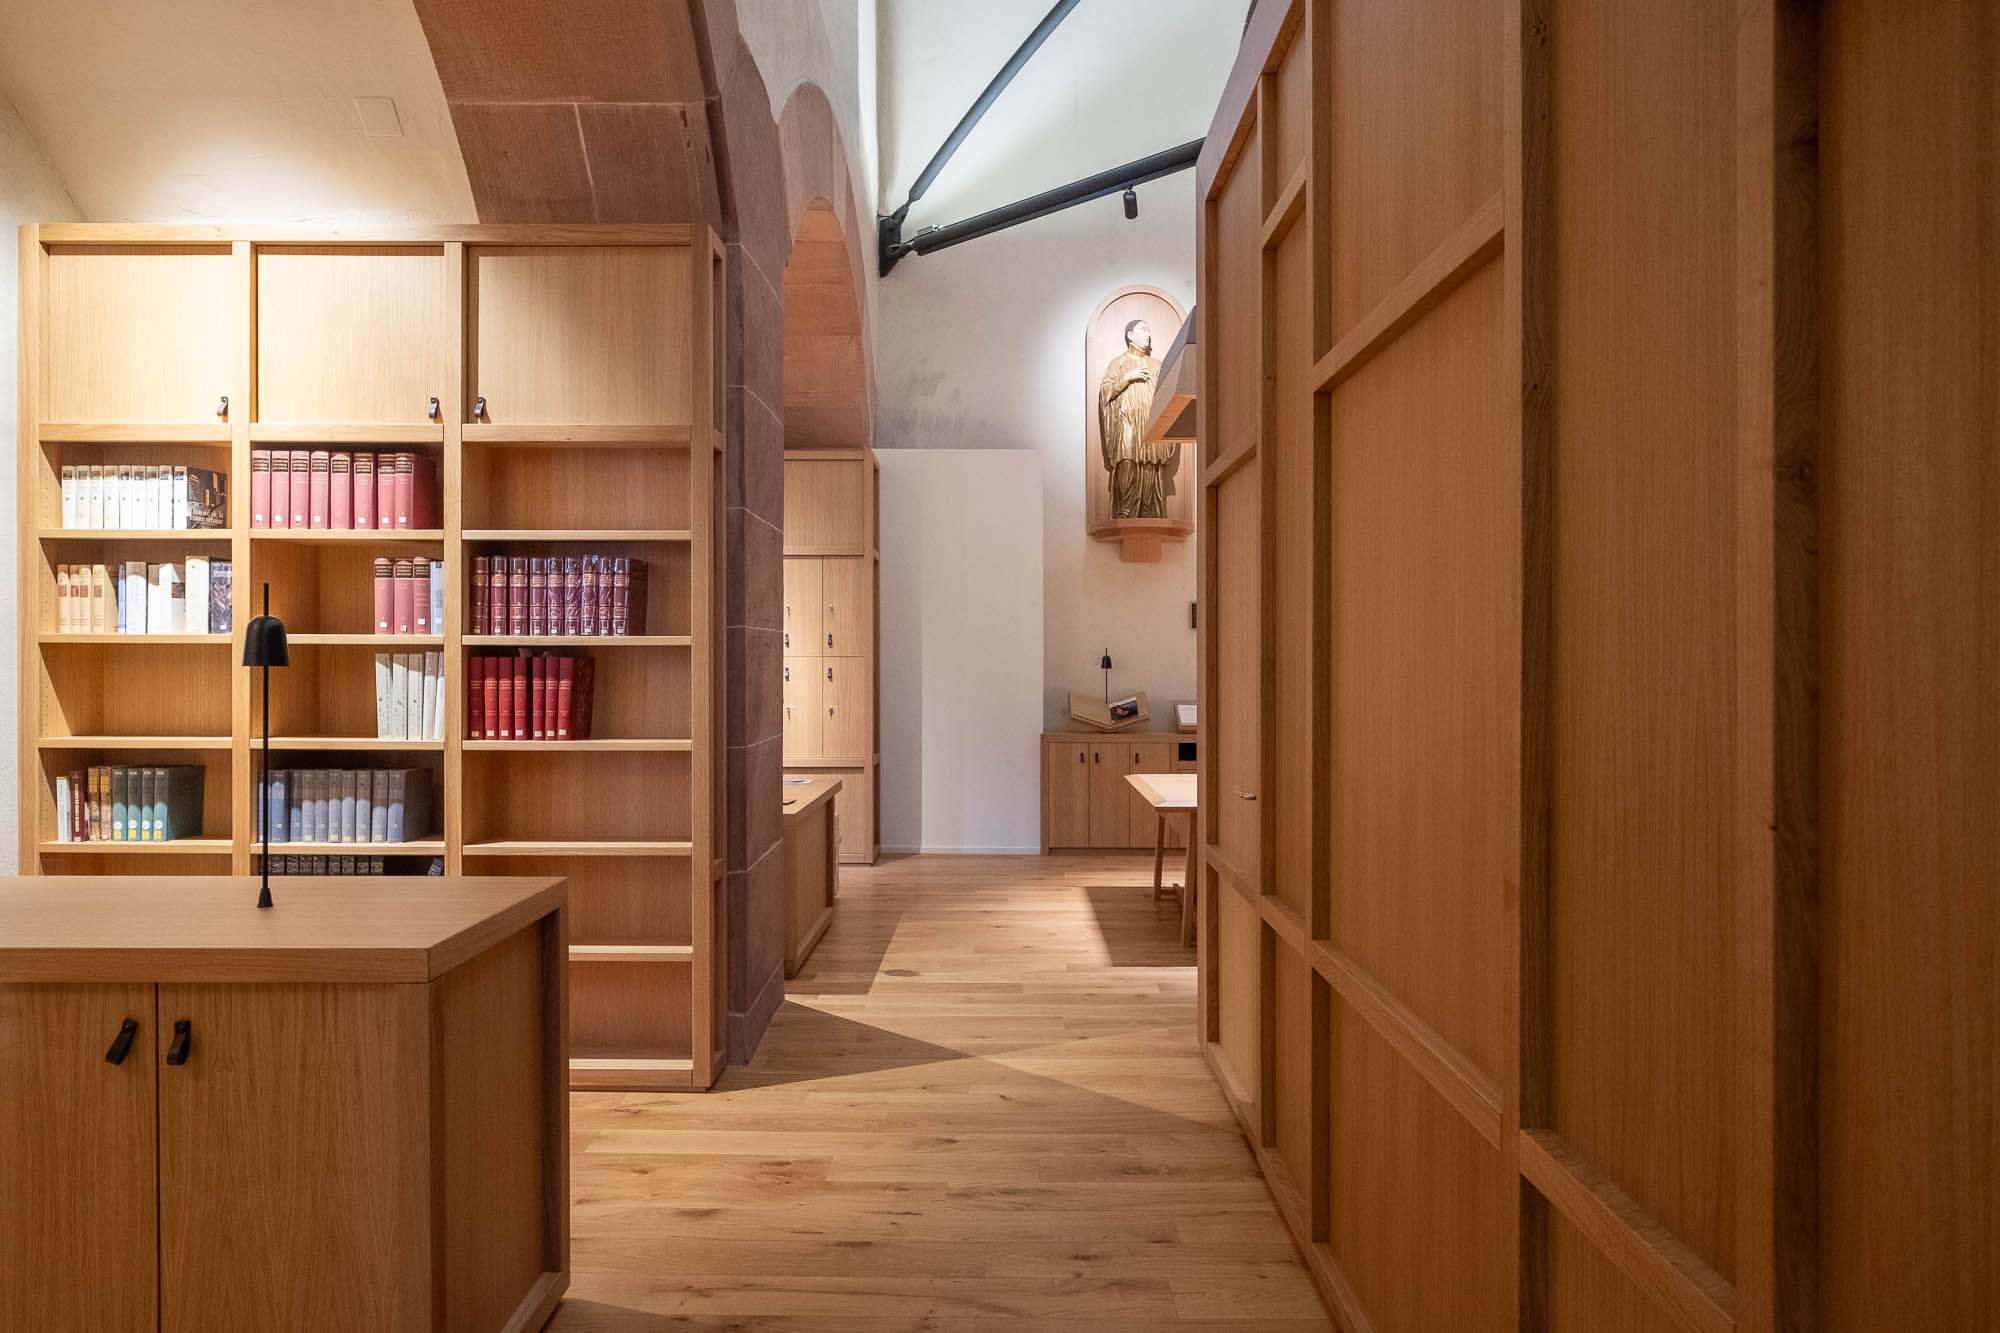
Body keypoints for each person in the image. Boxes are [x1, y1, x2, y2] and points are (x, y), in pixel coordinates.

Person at [1097, 318, 1174, 518]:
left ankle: (1148, 510)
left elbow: (1169, 392)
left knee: (1150, 460)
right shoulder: (1119, 363)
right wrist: (1127, 378)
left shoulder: (1156, 365)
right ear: (1130, 336)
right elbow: (1106, 392)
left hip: (1150, 424)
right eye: (1143, 330)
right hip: (1126, 422)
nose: (1148, 334)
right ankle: (1126, 509)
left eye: (1149, 330)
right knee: (1127, 458)